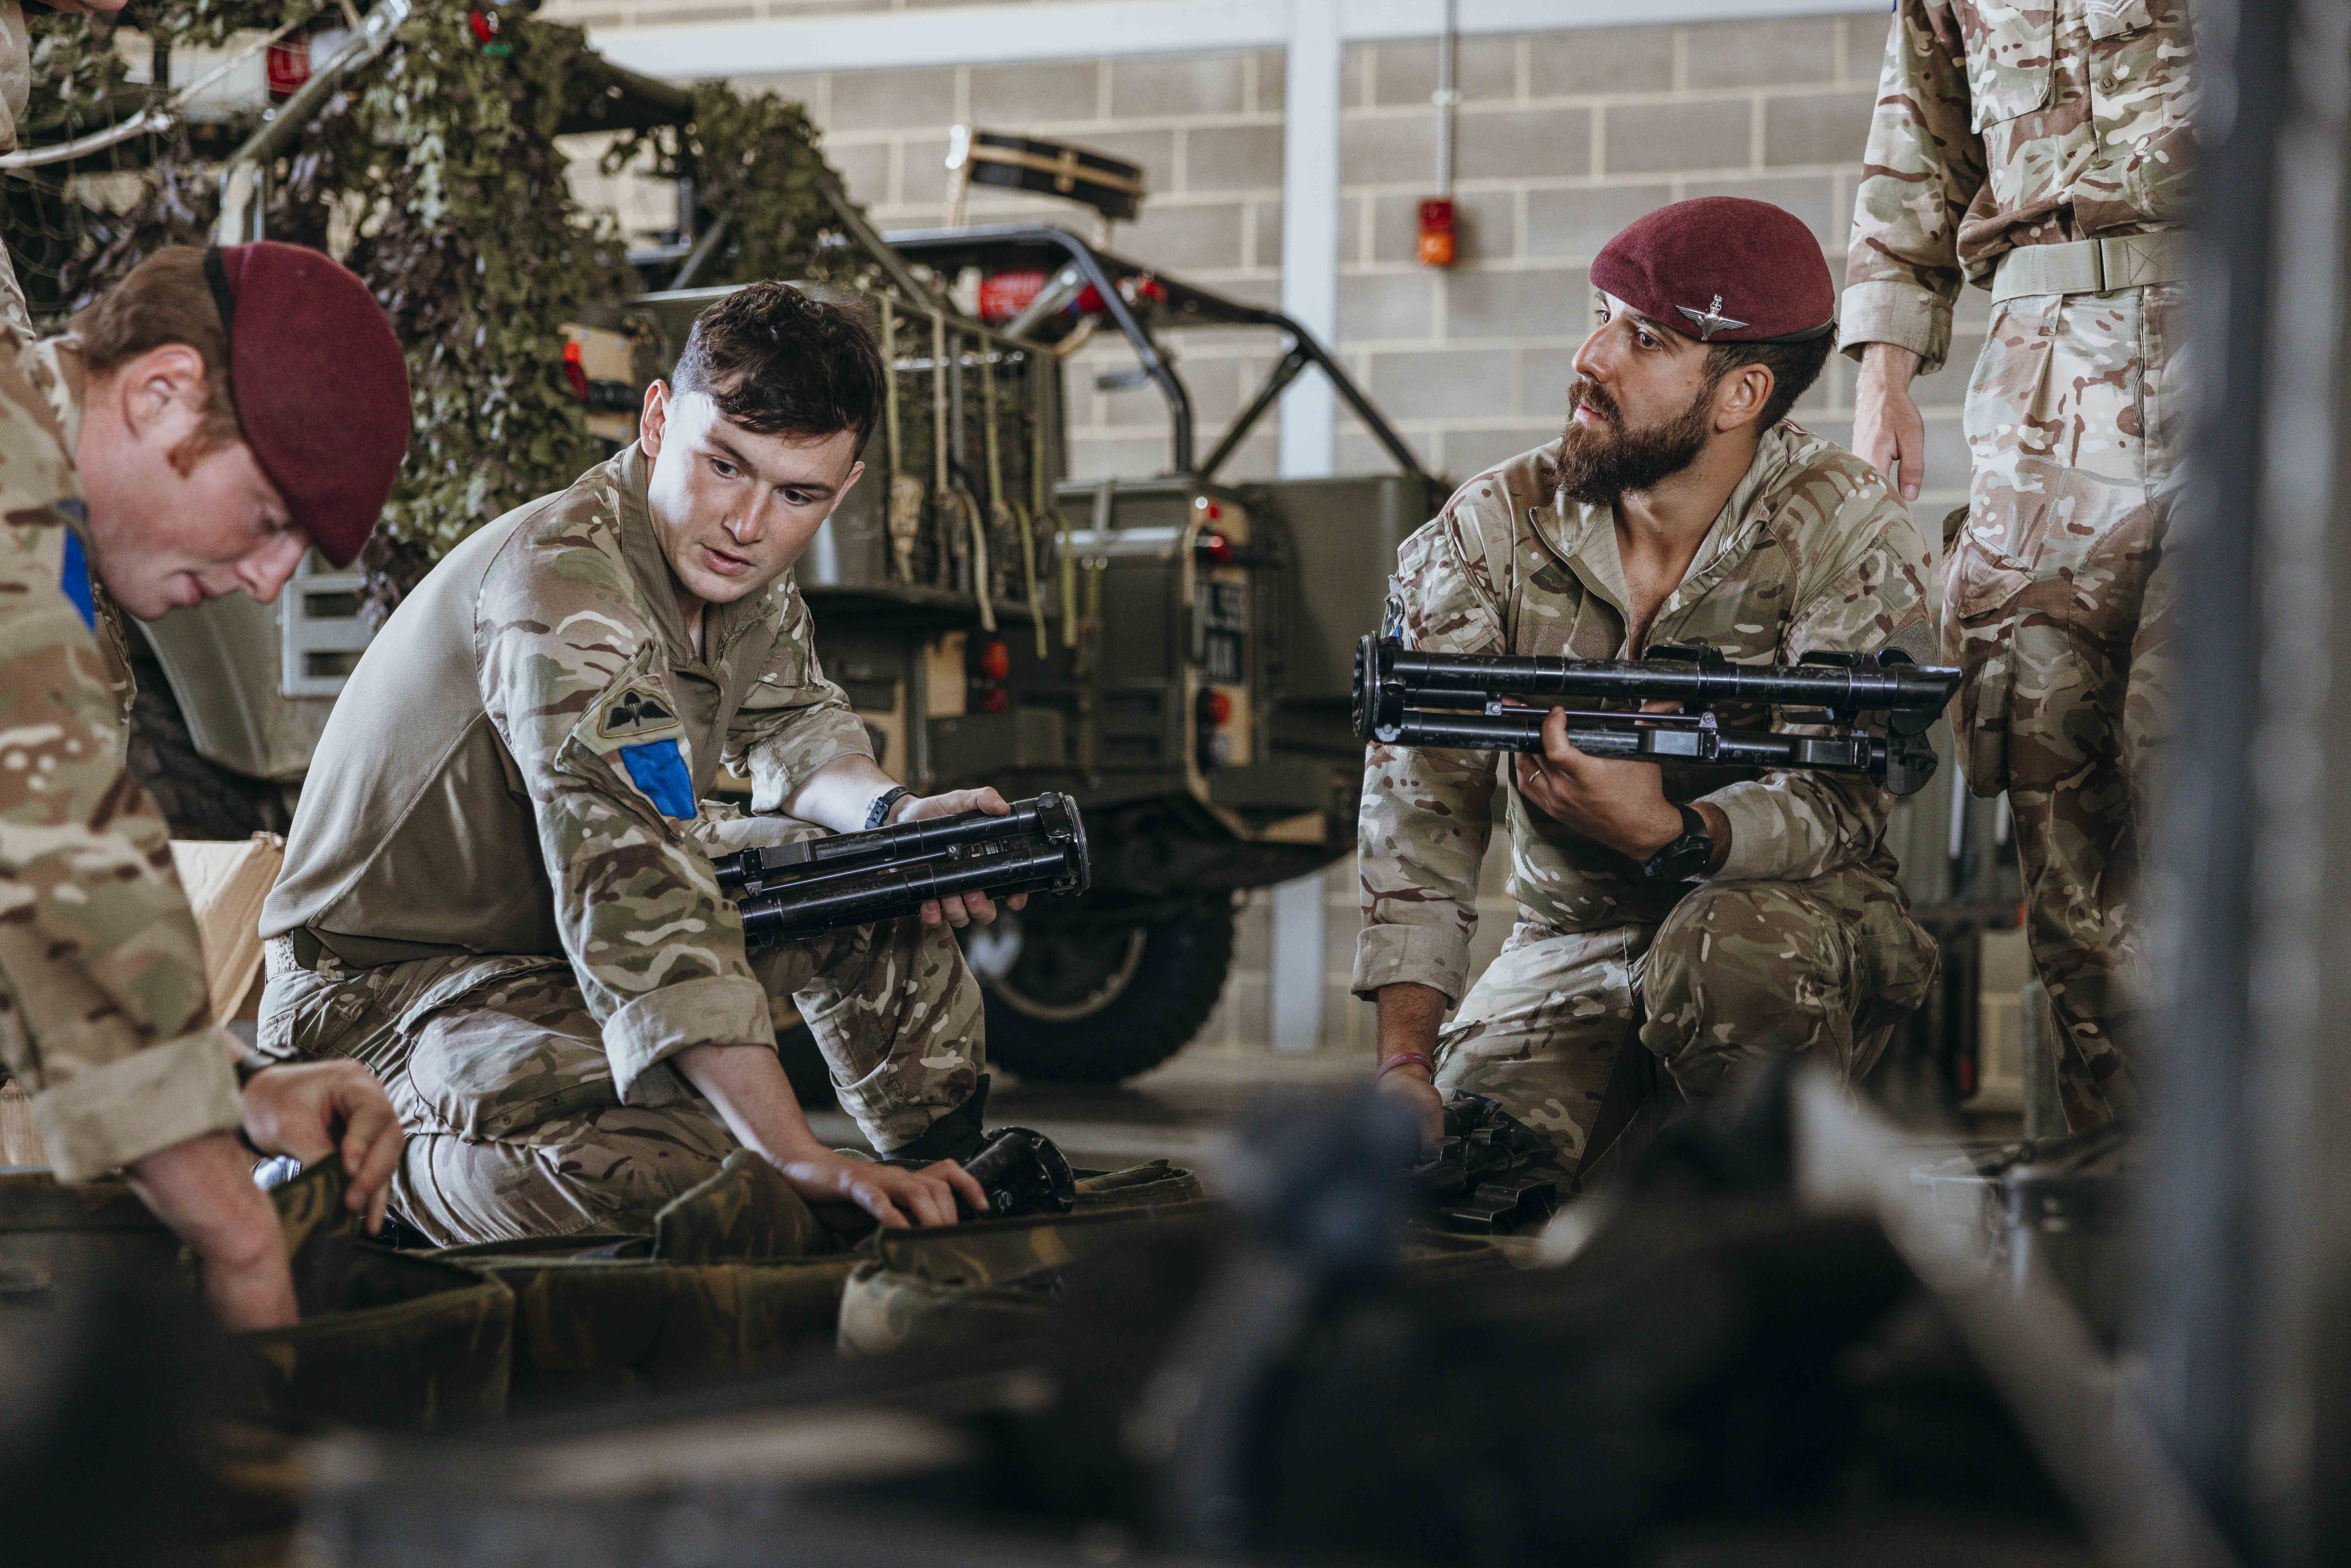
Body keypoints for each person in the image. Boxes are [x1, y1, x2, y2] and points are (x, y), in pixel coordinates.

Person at [259, 282, 1011, 1249]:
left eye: (797, 495)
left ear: (845, 487)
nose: (748, 523)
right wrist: (799, 1160)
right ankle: (362, 1153)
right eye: (725, 465)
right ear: (659, 420)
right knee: (670, 1179)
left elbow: (799, 733)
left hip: (544, 948)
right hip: (380, 993)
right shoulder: (563, 583)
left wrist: (895, 821)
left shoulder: (738, 579)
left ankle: (945, 1176)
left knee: (875, 883)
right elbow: (641, 897)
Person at [1359, 197, 1939, 1165]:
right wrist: (1404, 1068)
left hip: (1785, 921)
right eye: (1599, 318)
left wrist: (1674, 835)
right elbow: (1421, 811)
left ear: (1740, 395)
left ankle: (1768, 1198)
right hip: (1567, 941)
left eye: (1644, 338)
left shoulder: (1848, 532)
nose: (1590, 361)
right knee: (1479, 1174)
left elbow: (1844, 800)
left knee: (1724, 980)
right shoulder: (1490, 531)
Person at [0, 240, 413, 1327]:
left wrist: (236, 1089)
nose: (270, 579)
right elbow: (56, 870)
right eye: (271, 520)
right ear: (160, 393)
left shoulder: (67, 561)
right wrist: (233, 1230)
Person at [1842, 0, 2191, 1132]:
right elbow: (1918, 148)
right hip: (2038, 385)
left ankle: (2257, 1176)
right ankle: (2116, 1160)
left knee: (2198, 749)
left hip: (2237, 337)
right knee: (2052, 765)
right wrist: (1882, 375)